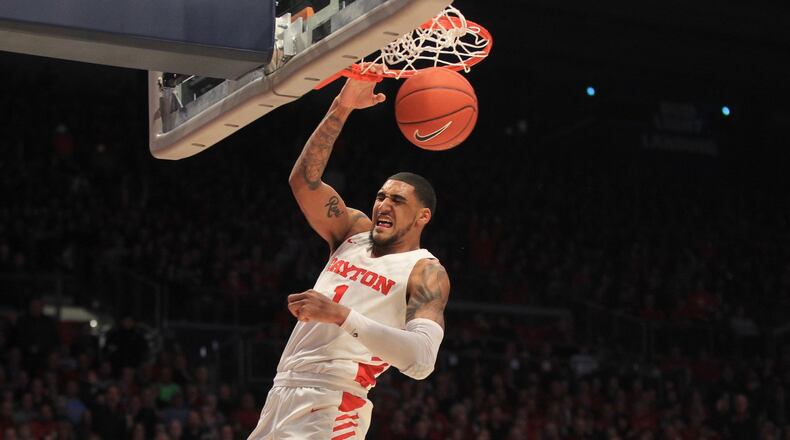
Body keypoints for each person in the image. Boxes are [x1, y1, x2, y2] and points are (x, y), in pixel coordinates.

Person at [247, 68, 451, 439]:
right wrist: (342, 106)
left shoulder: (424, 271)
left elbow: (421, 361)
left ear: (423, 216)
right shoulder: (354, 233)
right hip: (284, 391)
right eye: (381, 196)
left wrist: (342, 316)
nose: (383, 205)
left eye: (398, 200)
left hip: (334, 403)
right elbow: (304, 182)